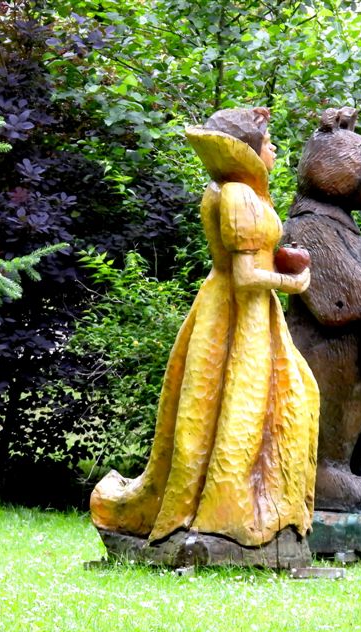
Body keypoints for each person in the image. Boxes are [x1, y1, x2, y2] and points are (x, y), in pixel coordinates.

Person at [90, 108, 320, 548]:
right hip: (237, 312)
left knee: (273, 397)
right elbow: (245, 276)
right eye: (267, 141)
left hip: (246, 313)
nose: (273, 148)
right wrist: (293, 282)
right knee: (239, 404)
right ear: (247, 149)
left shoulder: (236, 191)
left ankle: (257, 505)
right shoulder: (237, 195)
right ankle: (227, 512)